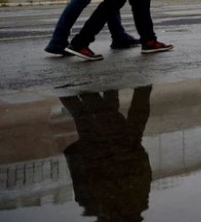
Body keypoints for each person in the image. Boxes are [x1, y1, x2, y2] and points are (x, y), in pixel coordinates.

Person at [60, 87, 153, 221]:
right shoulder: (129, 207)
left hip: (109, 156)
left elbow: (142, 178)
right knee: (93, 116)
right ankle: (89, 86)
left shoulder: (118, 208)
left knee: (97, 116)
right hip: (114, 156)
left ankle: (86, 86)